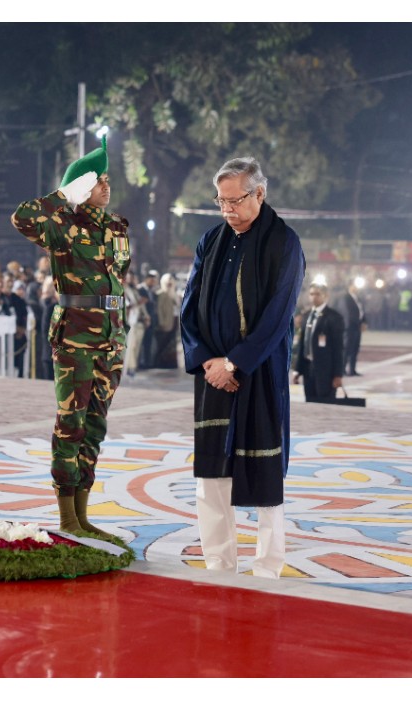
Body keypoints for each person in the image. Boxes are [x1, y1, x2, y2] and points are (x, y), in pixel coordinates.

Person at [180, 156, 305, 578]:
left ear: (260, 193)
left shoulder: (283, 242)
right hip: (213, 377)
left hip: (259, 375)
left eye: (236, 200)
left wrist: (237, 361)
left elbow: (278, 315)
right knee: (211, 477)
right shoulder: (210, 242)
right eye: (221, 202)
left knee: (266, 476)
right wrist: (209, 362)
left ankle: (268, 569)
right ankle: (218, 564)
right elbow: (189, 310)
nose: (228, 209)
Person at [10, 135, 131, 537]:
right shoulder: (61, 225)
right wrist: (64, 195)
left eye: (108, 180)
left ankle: (83, 516)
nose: (106, 186)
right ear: (82, 187)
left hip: (112, 338)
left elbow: (115, 280)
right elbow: (23, 217)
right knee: (70, 424)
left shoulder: (116, 227)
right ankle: (66, 519)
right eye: (98, 181)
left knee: (95, 426)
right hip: (76, 336)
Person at [293, 283, 345, 402]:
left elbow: (338, 349)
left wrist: (338, 375)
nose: (314, 297)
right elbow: (302, 345)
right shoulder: (306, 316)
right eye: (311, 294)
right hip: (308, 368)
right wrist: (297, 370)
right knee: (310, 402)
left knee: (325, 404)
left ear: (326, 296)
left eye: (317, 294)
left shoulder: (334, 317)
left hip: (326, 371)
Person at [335, 281, 366, 376]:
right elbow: (348, 314)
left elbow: (361, 311)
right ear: (350, 286)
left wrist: (364, 322)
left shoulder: (358, 298)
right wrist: (357, 323)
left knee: (355, 349)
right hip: (350, 327)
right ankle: (342, 369)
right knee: (347, 349)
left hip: (357, 327)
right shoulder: (346, 298)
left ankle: (352, 370)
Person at [152, 273, 180, 369]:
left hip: (174, 321)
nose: (169, 284)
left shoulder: (174, 294)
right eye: (167, 283)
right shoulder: (161, 294)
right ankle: (161, 364)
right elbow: (159, 310)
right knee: (163, 344)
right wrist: (161, 322)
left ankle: (171, 363)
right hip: (165, 323)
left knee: (172, 344)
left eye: (171, 283)